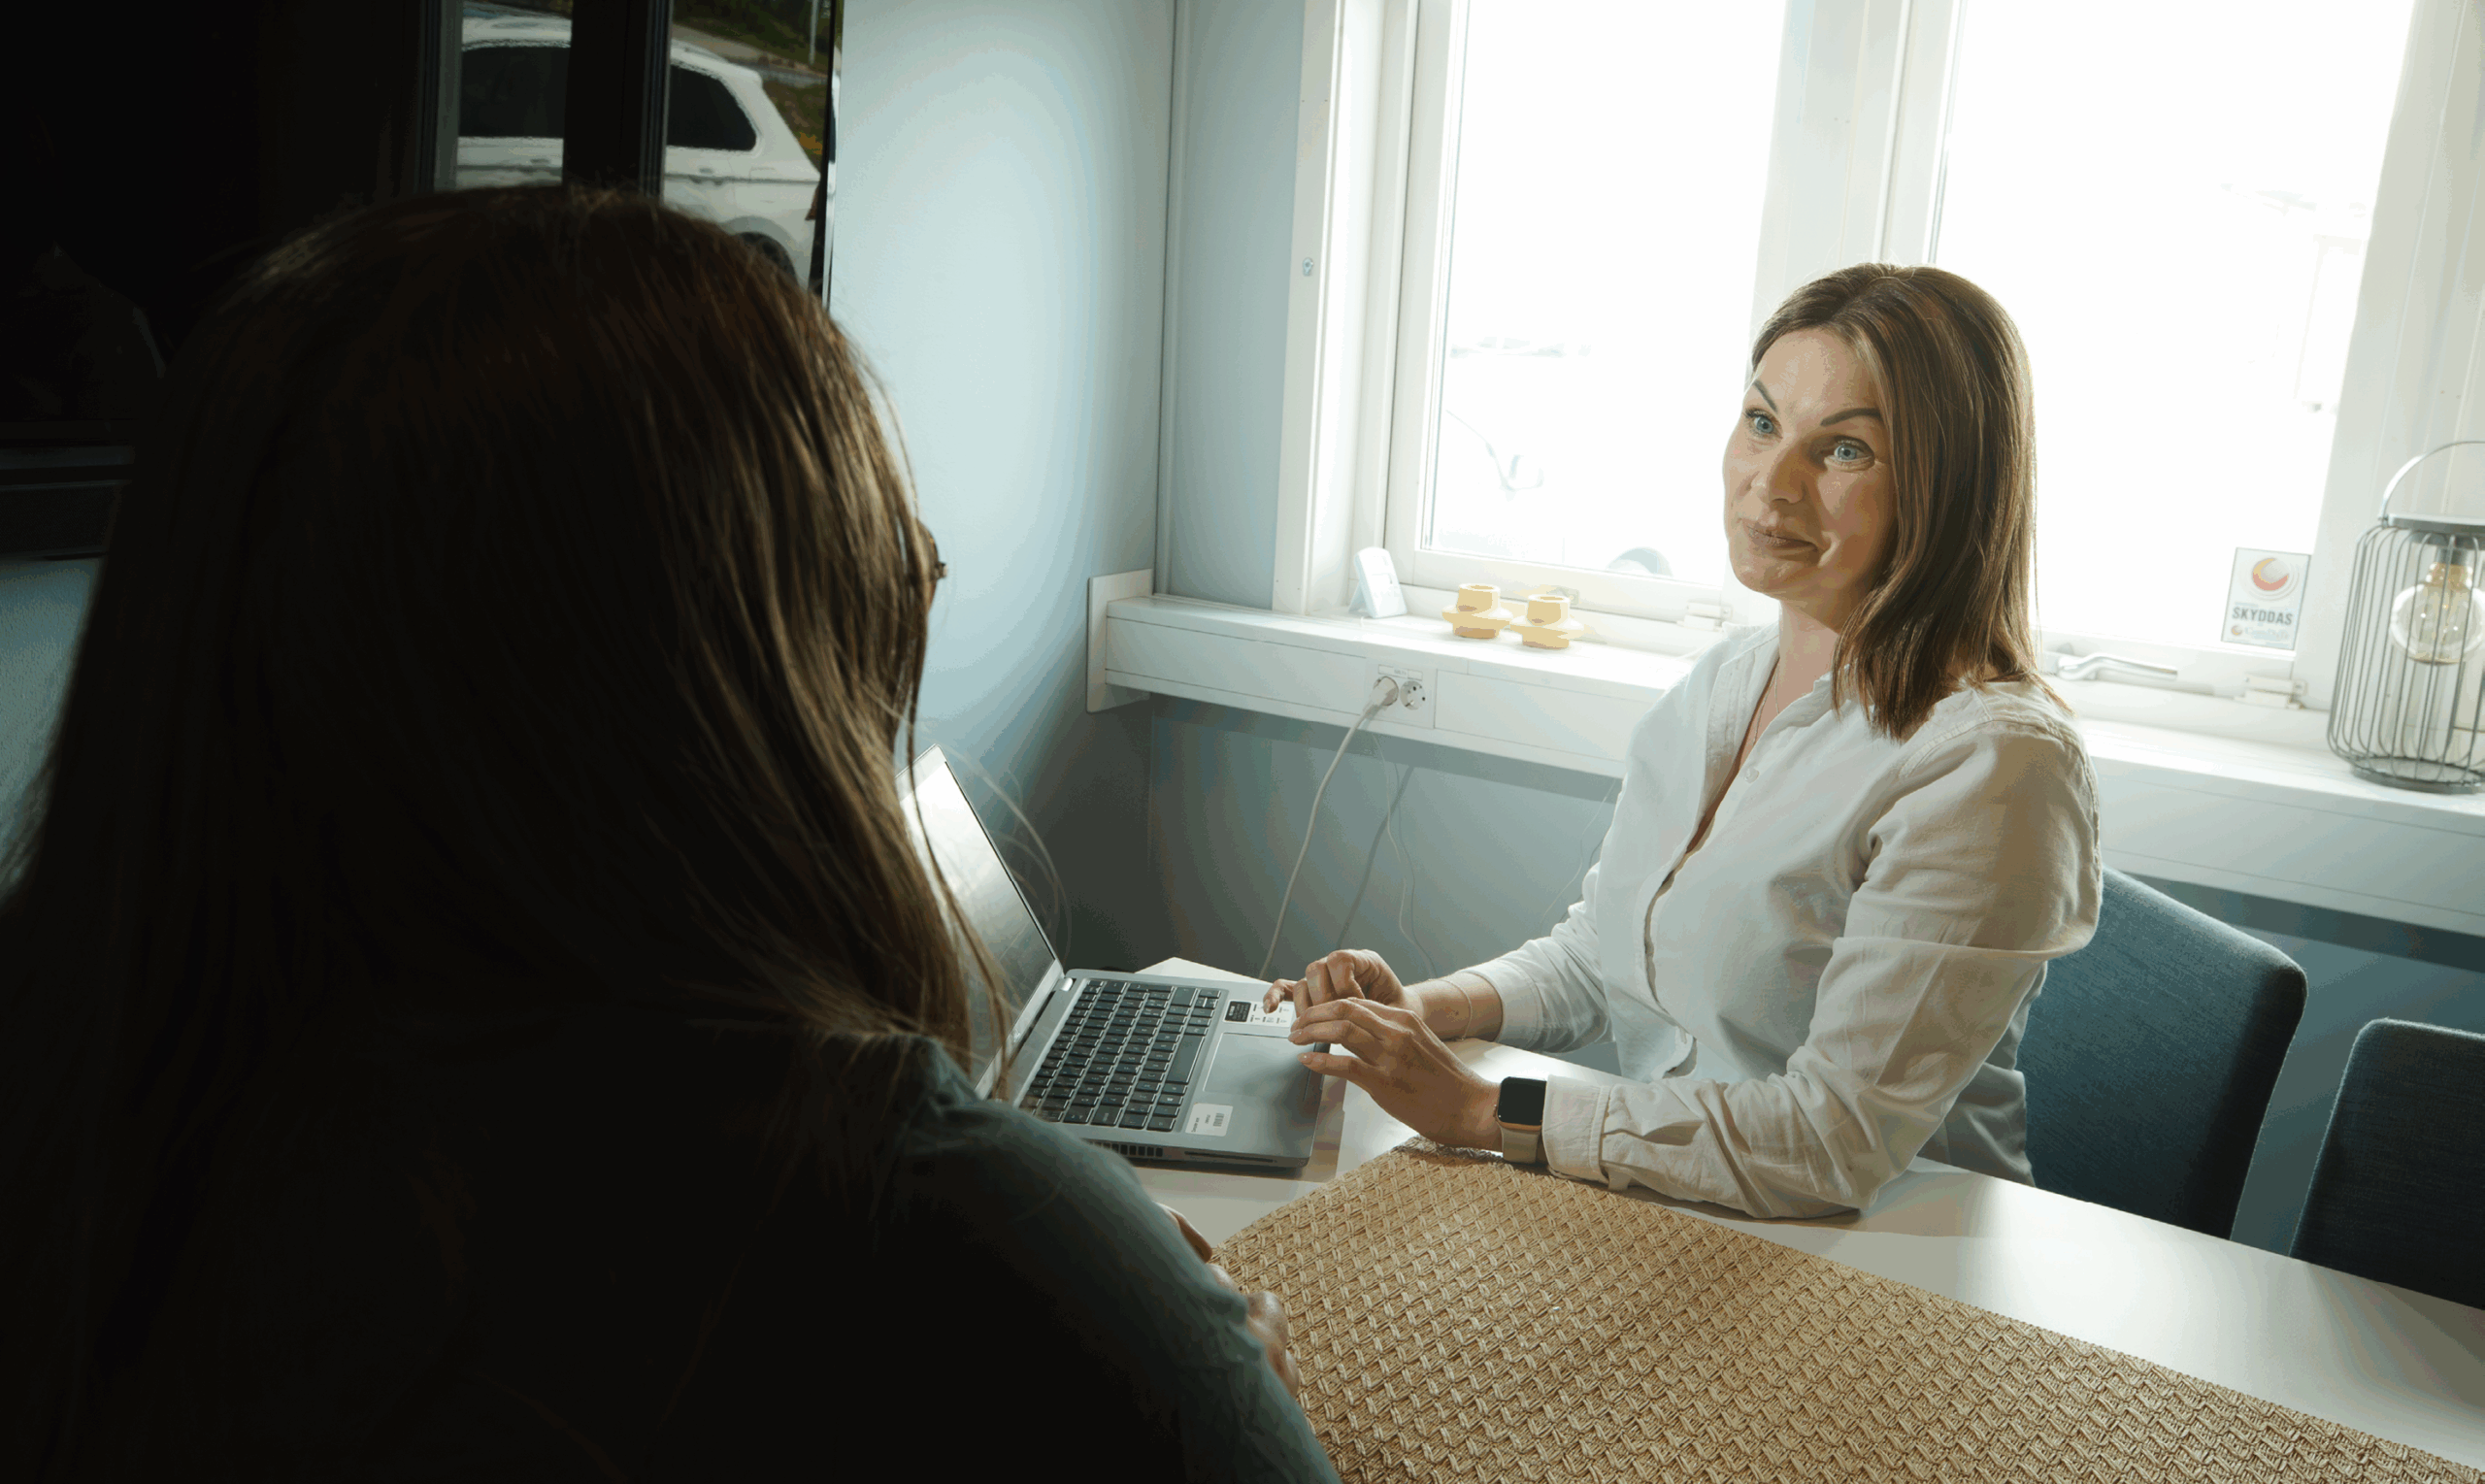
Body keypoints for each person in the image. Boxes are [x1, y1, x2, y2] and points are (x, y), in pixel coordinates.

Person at [0, 186, 1334, 1482]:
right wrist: (1223, 1374)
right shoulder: (960, 1251)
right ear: (720, 695)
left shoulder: (103, 1168)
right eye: (889, 581)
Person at [1266, 263, 2102, 1221]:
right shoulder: (1725, 682)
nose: (1770, 483)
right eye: (1760, 422)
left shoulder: (1992, 765)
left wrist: (1480, 1107)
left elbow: (1829, 1142)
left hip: (1890, 1260)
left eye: (1842, 451)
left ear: (1948, 489)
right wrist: (1421, 1011)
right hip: (1683, 1208)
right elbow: (1604, 951)